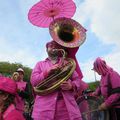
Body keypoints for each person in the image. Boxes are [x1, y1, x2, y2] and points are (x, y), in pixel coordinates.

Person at [31, 40, 83, 120]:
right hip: (43, 110)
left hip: (66, 110)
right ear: (46, 50)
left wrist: (71, 85)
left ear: (59, 48)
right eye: (50, 45)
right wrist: (47, 72)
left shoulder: (67, 63)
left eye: (55, 45)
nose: (53, 46)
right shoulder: (40, 64)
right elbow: (33, 81)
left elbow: (77, 80)